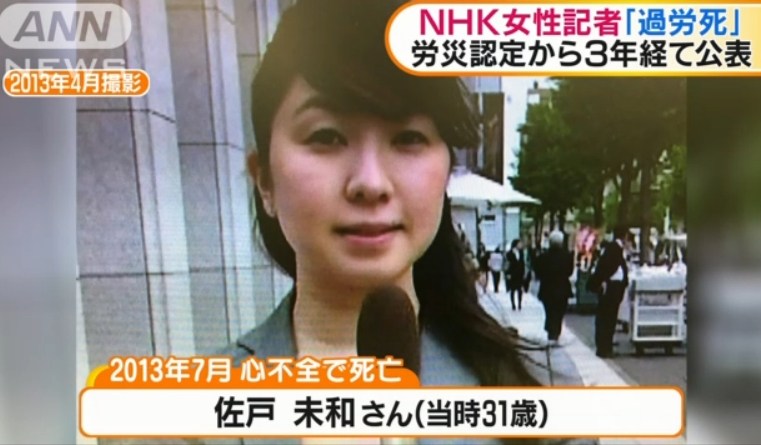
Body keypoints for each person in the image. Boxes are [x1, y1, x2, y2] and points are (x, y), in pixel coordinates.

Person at [588, 225, 631, 358]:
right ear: (625, 236)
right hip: (611, 287)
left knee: (608, 318)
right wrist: (604, 281)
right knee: (608, 318)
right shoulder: (615, 249)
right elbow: (608, 267)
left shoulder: (614, 248)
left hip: (612, 287)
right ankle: (604, 347)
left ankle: (605, 346)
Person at [534, 231, 574, 346]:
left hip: (547, 288)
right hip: (562, 288)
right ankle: (556, 332)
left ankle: (551, 331)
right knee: (559, 312)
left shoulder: (543, 256)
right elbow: (569, 272)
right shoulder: (567, 256)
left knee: (549, 311)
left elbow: (538, 271)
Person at [506, 239, 526, 310]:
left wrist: (524, 272)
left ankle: (519, 303)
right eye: (519, 244)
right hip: (512, 273)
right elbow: (508, 264)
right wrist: (508, 273)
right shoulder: (509, 253)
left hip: (520, 274)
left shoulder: (521, 252)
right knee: (512, 290)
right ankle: (513, 304)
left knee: (520, 289)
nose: (520, 245)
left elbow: (522, 263)